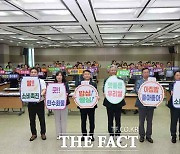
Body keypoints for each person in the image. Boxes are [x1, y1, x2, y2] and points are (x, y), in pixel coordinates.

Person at [75, 70, 98, 141]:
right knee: (83, 121)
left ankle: (91, 135)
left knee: (91, 121)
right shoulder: (79, 83)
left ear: (90, 75)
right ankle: (84, 135)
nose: (87, 75)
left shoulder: (93, 84)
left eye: (88, 74)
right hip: (82, 105)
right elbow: (77, 92)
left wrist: (97, 96)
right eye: (85, 74)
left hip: (91, 105)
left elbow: (96, 92)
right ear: (83, 75)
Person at [103, 66, 126, 137]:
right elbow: (104, 89)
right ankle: (111, 134)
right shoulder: (106, 80)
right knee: (110, 119)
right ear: (109, 71)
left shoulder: (120, 80)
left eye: (114, 70)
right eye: (111, 70)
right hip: (109, 102)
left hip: (118, 102)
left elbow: (123, 89)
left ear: (116, 71)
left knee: (118, 119)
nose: (113, 71)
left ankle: (118, 133)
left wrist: (123, 94)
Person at [135, 68, 155, 143]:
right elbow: (137, 90)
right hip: (141, 104)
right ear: (142, 73)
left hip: (150, 104)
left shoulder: (153, 82)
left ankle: (149, 136)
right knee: (141, 121)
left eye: (147, 72)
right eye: (144, 72)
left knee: (149, 121)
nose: (146, 73)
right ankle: (142, 136)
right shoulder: (139, 81)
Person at [27, 67, 47, 141]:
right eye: (32, 72)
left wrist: (39, 96)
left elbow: (44, 90)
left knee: (41, 119)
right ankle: (33, 134)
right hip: (31, 102)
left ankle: (43, 133)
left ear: (37, 73)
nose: (33, 73)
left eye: (35, 72)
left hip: (39, 102)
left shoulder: (41, 81)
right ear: (30, 73)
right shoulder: (27, 81)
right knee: (32, 119)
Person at [54, 71, 70, 140]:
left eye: (60, 75)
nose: (59, 77)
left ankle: (64, 134)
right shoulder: (53, 84)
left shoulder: (65, 84)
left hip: (64, 104)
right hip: (56, 104)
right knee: (57, 119)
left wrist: (66, 94)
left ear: (62, 77)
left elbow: (68, 91)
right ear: (56, 77)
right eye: (58, 75)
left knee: (64, 119)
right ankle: (58, 134)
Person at [167, 70, 180, 143]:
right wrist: (171, 91)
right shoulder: (172, 84)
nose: (179, 77)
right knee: (174, 121)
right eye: (177, 75)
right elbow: (170, 89)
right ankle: (173, 135)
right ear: (174, 76)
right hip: (174, 106)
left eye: (179, 75)